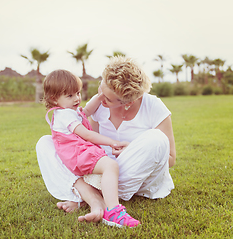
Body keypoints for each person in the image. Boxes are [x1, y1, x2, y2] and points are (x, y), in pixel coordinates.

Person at [36, 56, 176, 223]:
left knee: (157, 138)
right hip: (103, 173)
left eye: (107, 99)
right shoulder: (99, 106)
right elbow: (88, 142)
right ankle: (96, 199)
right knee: (46, 143)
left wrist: (132, 150)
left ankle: (87, 194)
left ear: (127, 102)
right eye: (100, 90)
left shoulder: (154, 107)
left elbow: (171, 159)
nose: (101, 98)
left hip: (135, 174)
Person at [41, 69, 140, 228]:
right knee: (110, 166)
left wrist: (100, 96)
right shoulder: (65, 115)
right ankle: (113, 211)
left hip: (79, 153)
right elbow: (87, 134)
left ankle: (91, 202)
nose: (76, 98)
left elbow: (86, 111)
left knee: (107, 168)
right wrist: (112, 142)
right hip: (78, 154)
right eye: (70, 95)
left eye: (78, 93)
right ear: (54, 99)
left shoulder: (68, 111)